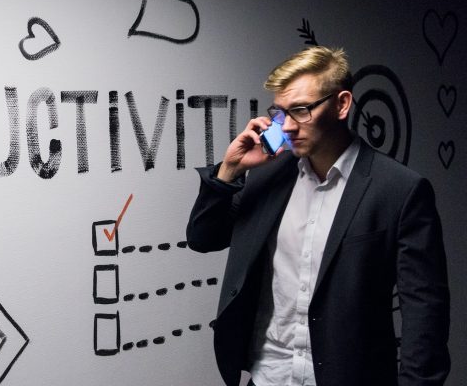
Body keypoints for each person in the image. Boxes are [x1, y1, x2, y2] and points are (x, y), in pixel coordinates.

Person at [186, 46, 450, 386]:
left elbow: (425, 316)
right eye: (281, 114)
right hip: (268, 377)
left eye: (301, 110)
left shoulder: (400, 190)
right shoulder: (269, 175)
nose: (289, 126)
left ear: (342, 104)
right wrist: (229, 170)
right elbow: (203, 238)